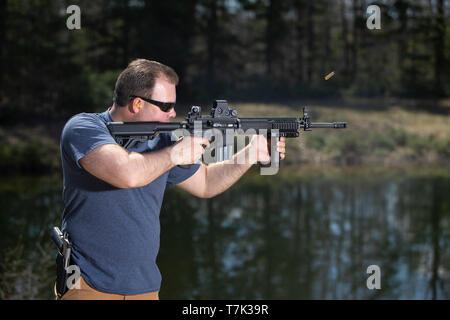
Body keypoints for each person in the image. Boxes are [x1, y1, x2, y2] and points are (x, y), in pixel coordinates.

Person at [58, 58, 286, 300]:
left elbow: (206, 183)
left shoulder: (161, 140)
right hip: (88, 287)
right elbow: (127, 174)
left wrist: (250, 155)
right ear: (137, 104)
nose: (174, 113)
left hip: (145, 289)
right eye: (166, 106)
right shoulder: (84, 128)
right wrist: (175, 153)